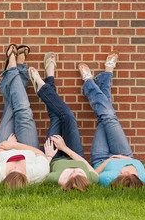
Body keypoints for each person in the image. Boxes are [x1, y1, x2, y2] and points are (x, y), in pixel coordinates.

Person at [78, 51, 145, 188]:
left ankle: (100, 78)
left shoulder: (109, 179)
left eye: (120, 175)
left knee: (106, 117)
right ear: (136, 178)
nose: (121, 171)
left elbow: (93, 176)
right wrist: (125, 159)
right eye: (126, 172)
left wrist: (107, 162)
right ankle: (91, 82)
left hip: (101, 157)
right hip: (124, 152)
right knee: (108, 117)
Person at [28, 53, 99, 191]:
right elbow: (85, 163)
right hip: (73, 151)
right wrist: (65, 148)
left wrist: (48, 156)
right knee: (67, 116)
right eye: (78, 173)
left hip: (53, 156)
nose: (74, 171)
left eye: (71, 175)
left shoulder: (56, 180)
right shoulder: (92, 179)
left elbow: (41, 173)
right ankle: (43, 86)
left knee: (56, 116)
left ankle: (48, 79)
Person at [0, 44, 50, 189]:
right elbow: (40, 154)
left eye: (11, 171)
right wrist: (14, 145)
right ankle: (14, 67)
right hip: (28, 147)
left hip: (1, 147)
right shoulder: (37, 175)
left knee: (11, 107)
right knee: (23, 111)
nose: (15, 167)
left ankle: (14, 67)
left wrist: (5, 147)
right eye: (19, 171)